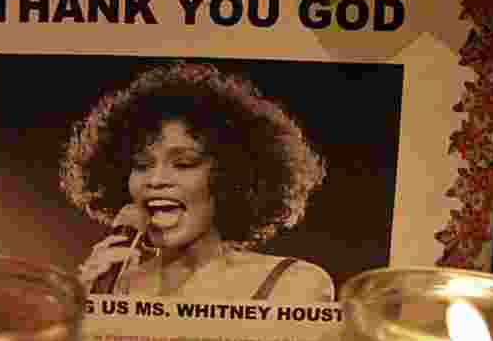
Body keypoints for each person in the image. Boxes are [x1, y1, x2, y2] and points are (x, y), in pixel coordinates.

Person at [62, 61, 335, 301]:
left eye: (184, 163)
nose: (156, 180)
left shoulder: (292, 284)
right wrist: (84, 309)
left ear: (229, 177)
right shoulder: (111, 287)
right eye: (141, 165)